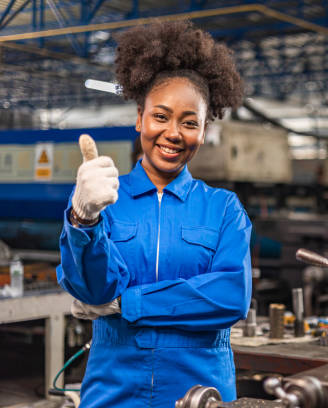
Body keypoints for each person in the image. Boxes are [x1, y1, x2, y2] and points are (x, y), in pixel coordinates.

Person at [56, 20, 251, 407]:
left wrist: (130, 304)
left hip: (199, 391)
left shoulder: (223, 209)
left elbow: (229, 297)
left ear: (204, 129)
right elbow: (93, 291)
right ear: (140, 118)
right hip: (114, 388)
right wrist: (83, 220)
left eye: (189, 121)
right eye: (161, 116)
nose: (173, 133)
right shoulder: (104, 198)